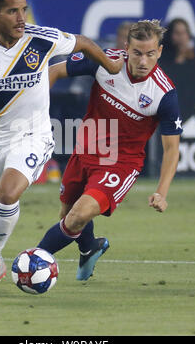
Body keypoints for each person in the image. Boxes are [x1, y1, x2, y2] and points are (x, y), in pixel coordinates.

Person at [0, 0, 124, 291]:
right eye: (12, 11)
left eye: (24, 10)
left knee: (8, 192)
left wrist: (111, 65)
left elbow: (83, 42)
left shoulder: (40, 38)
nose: (21, 18)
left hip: (34, 134)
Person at [38, 19, 183, 281]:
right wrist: (35, 110)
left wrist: (161, 192)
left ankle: (34, 260)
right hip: (84, 151)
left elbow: (172, 149)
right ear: (126, 48)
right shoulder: (105, 62)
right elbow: (54, 71)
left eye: (150, 54)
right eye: (137, 53)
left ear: (159, 52)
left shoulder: (164, 93)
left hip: (120, 164)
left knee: (77, 216)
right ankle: (90, 247)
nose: (142, 61)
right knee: (68, 216)